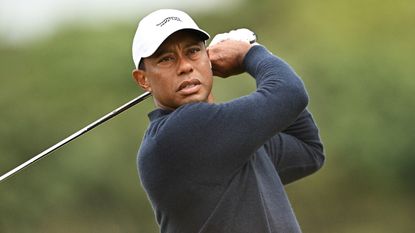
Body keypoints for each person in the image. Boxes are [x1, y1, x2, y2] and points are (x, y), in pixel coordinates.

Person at [131, 9, 325, 233]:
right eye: (166, 59)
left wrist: (255, 55)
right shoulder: (177, 134)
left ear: (209, 59)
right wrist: (251, 55)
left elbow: (309, 150)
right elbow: (290, 93)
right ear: (143, 79)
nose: (185, 66)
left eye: (193, 51)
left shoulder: (230, 139)